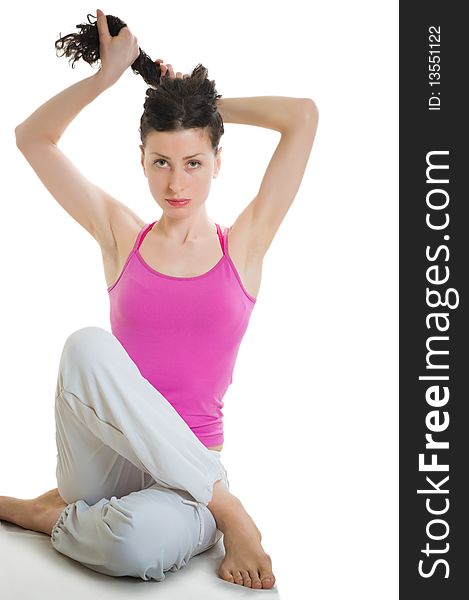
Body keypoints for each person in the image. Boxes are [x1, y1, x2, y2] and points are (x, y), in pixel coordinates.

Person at [1, 9, 318, 590]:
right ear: (141, 161)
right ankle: (229, 510)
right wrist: (106, 77)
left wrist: (209, 105)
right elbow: (30, 138)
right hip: (107, 465)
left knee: (134, 546)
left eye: (194, 163)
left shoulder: (242, 249)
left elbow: (302, 116)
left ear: (218, 163)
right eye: (162, 163)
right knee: (85, 347)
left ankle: (47, 516)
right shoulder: (121, 234)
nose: (177, 184)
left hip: (185, 481)